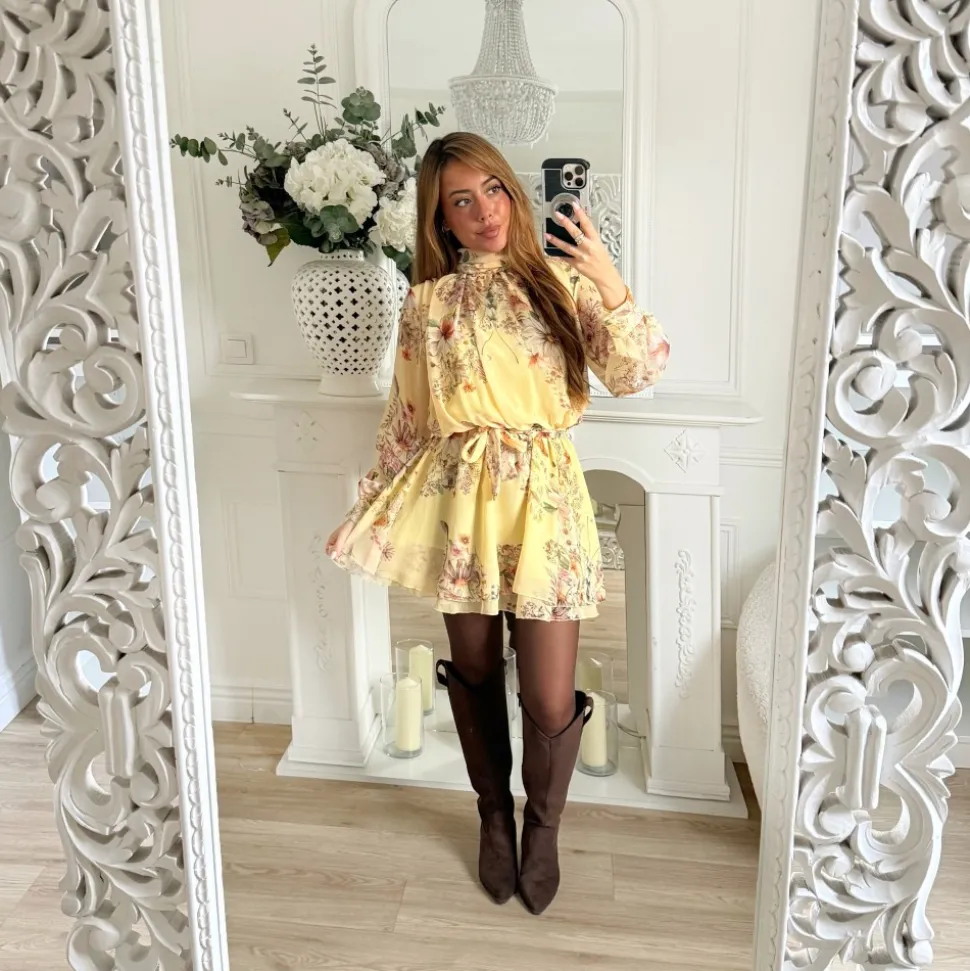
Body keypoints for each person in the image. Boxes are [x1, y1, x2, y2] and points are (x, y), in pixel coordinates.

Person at [326, 132, 669, 914]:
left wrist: (610, 281)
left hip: (548, 501)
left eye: (493, 189)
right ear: (440, 220)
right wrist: (368, 510)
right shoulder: (426, 304)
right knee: (476, 667)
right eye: (461, 200)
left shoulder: (561, 280)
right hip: (463, 504)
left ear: (514, 191)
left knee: (549, 697)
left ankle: (542, 827)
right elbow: (407, 420)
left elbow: (637, 371)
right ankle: (492, 813)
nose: (484, 211)